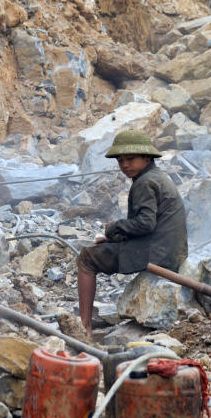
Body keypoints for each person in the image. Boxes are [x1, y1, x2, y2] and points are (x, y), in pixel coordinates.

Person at [76, 130, 188, 338]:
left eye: (130, 159)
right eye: (120, 161)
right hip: (169, 248)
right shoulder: (155, 177)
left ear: (147, 157)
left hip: (158, 253)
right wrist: (113, 238)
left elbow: (145, 224)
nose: (124, 165)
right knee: (100, 248)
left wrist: (114, 227)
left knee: (86, 258)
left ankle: (84, 327)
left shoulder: (145, 182)